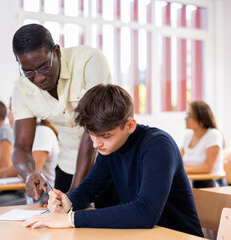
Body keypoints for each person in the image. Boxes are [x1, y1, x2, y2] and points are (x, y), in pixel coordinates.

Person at [21, 84, 203, 237]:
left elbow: (145, 213)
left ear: (130, 125)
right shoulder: (111, 147)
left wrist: (71, 219)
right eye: (91, 135)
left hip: (179, 236)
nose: (96, 144)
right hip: (145, 236)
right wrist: (68, 202)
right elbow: (89, 189)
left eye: (105, 136)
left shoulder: (158, 146)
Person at [11, 24, 120, 208]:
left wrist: (75, 194)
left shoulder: (90, 61)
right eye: (28, 72)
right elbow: (21, 146)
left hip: (112, 162)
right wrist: (29, 173)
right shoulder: (22, 88)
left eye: (44, 67)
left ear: (57, 52)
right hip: (69, 163)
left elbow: (92, 129)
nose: (38, 78)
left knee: (116, 231)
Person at [180, 100, 226, 188]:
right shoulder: (188, 136)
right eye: (186, 115)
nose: (185, 119)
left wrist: (184, 170)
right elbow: (179, 162)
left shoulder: (213, 135)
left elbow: (207, 168)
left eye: (189, 115)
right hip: (194, 182)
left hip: (212, 183)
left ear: (202, 119)